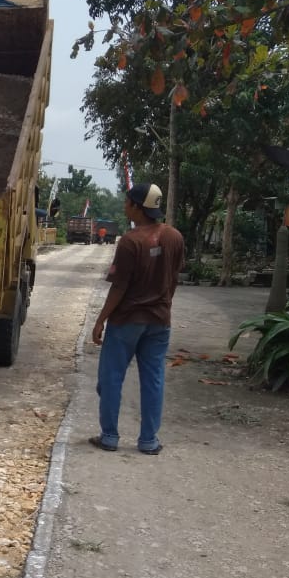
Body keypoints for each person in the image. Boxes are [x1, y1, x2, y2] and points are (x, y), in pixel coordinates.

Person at [90, 182, 184, 455]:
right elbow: (174, 278)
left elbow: (119, 287)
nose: (124, 206)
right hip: (159, 321)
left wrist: (100, 320)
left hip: (126, 321)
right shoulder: (174, 237)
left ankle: (109, 436)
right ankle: (148, 441)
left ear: (137, 208)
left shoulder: (131, 242)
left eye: (127, 202)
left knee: (111, 378)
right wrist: (164, 305)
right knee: (153, 379)